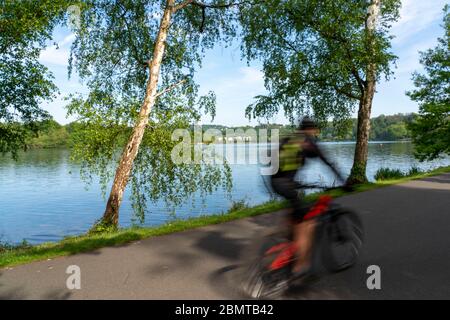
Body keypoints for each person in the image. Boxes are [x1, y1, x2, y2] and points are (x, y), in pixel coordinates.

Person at [271, 117, 346, 279]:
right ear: (311, 129)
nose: (315, 134)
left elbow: (276, 165)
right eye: (315, 131)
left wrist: (294, 182)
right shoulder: (307, 141)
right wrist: (343, 181)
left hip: (275, 182)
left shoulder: (288, 138)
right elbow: (328, 162)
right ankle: (300, 268)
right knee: (308, 222)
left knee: (295, 208)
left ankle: (287, 238)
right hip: (286, 184)